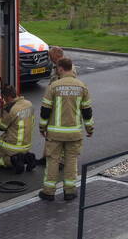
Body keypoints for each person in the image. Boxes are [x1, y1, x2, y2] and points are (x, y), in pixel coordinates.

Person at [39, 57, 94, 201]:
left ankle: (48, 192)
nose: (56, 70)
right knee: (71, 161)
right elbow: (87, 111)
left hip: (55, 134)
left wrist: (42, 127)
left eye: (57, 68)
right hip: (74, 134)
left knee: (53, 161)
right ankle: (69, 192)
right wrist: (89, 128)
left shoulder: (54, 86)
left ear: (61, 69)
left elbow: (45, 110)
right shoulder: (82, 86)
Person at [0, 85, 36, 174]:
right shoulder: (29, 104)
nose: (4, 100)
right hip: (26, 145)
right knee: (20, 153)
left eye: (4, 98)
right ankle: (27, 158)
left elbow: (2, 126)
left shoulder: (11, 109)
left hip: (12, 146)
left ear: (8, 97)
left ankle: (14, 161)